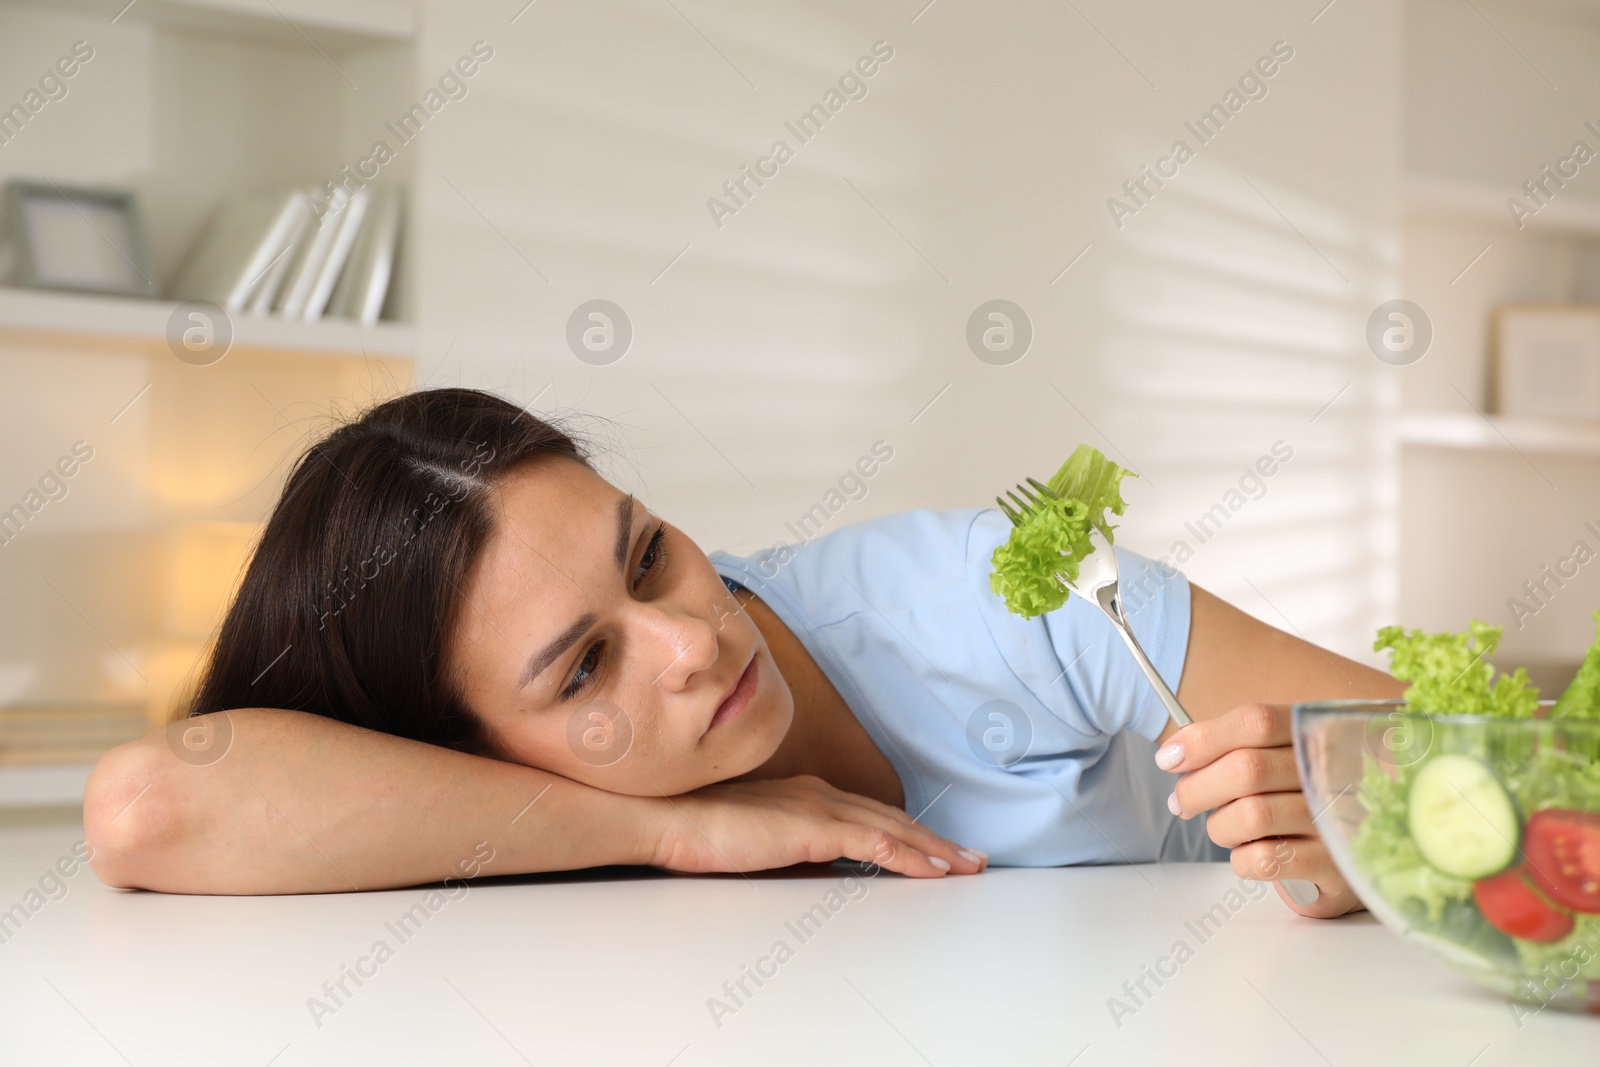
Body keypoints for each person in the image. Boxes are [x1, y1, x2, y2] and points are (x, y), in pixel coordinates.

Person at [83, 387, 1403, 913]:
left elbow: (1518, 773)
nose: (690, 645)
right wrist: (679, 832)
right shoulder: (482, 825)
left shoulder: (1003, 595)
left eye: (648, 552)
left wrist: (1376, 849)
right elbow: (147, 806)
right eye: (583, 668)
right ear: (464, 748)